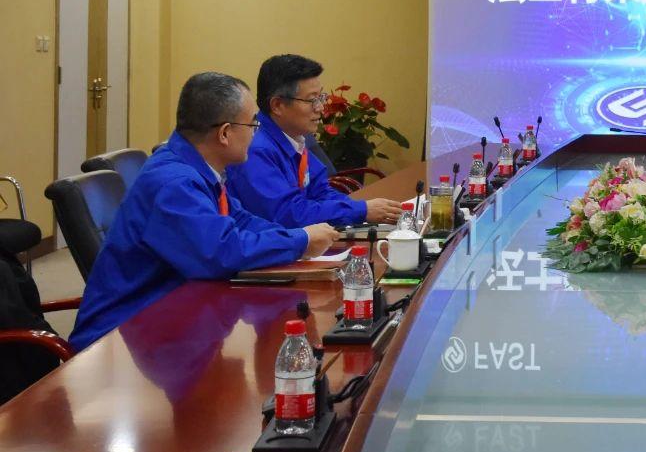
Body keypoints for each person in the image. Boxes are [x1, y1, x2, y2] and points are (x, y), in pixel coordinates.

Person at [69, 73, 339, 351]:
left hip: (170, 316)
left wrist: (298, 236)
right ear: (224, 133)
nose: (256, 133)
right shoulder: (175, 183)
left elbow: (240, 220)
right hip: (121, 337)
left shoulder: (196, 167)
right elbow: (221, 251)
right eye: (253, 124)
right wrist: (300, 241)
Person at [227, 55, 402, 228]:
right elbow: (288, 215)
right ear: (278, 105)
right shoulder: (255, 149)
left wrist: (361, 210)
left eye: (321, 97)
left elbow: (321, 193)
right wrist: (360, 211)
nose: (321, 107)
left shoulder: (294, 137)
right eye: (312, 100)